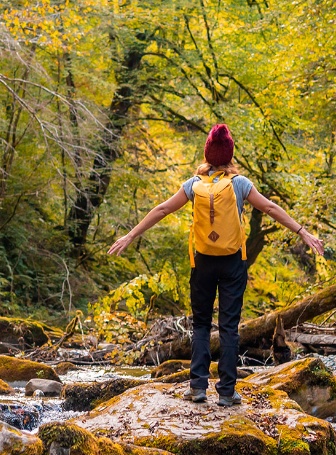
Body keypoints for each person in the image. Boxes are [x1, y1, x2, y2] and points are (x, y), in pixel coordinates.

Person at [107, 124, 324, 407]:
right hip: (233, 262)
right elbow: (270, 208)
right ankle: (226, 392)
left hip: (202, 261)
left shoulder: (194, 185)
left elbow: (162, 209)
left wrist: (131, 234)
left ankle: (197, 387)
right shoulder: (240, 184)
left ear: (207, 154)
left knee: (200, 324)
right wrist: (302, 231)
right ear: (230, 155)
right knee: (229, 327)